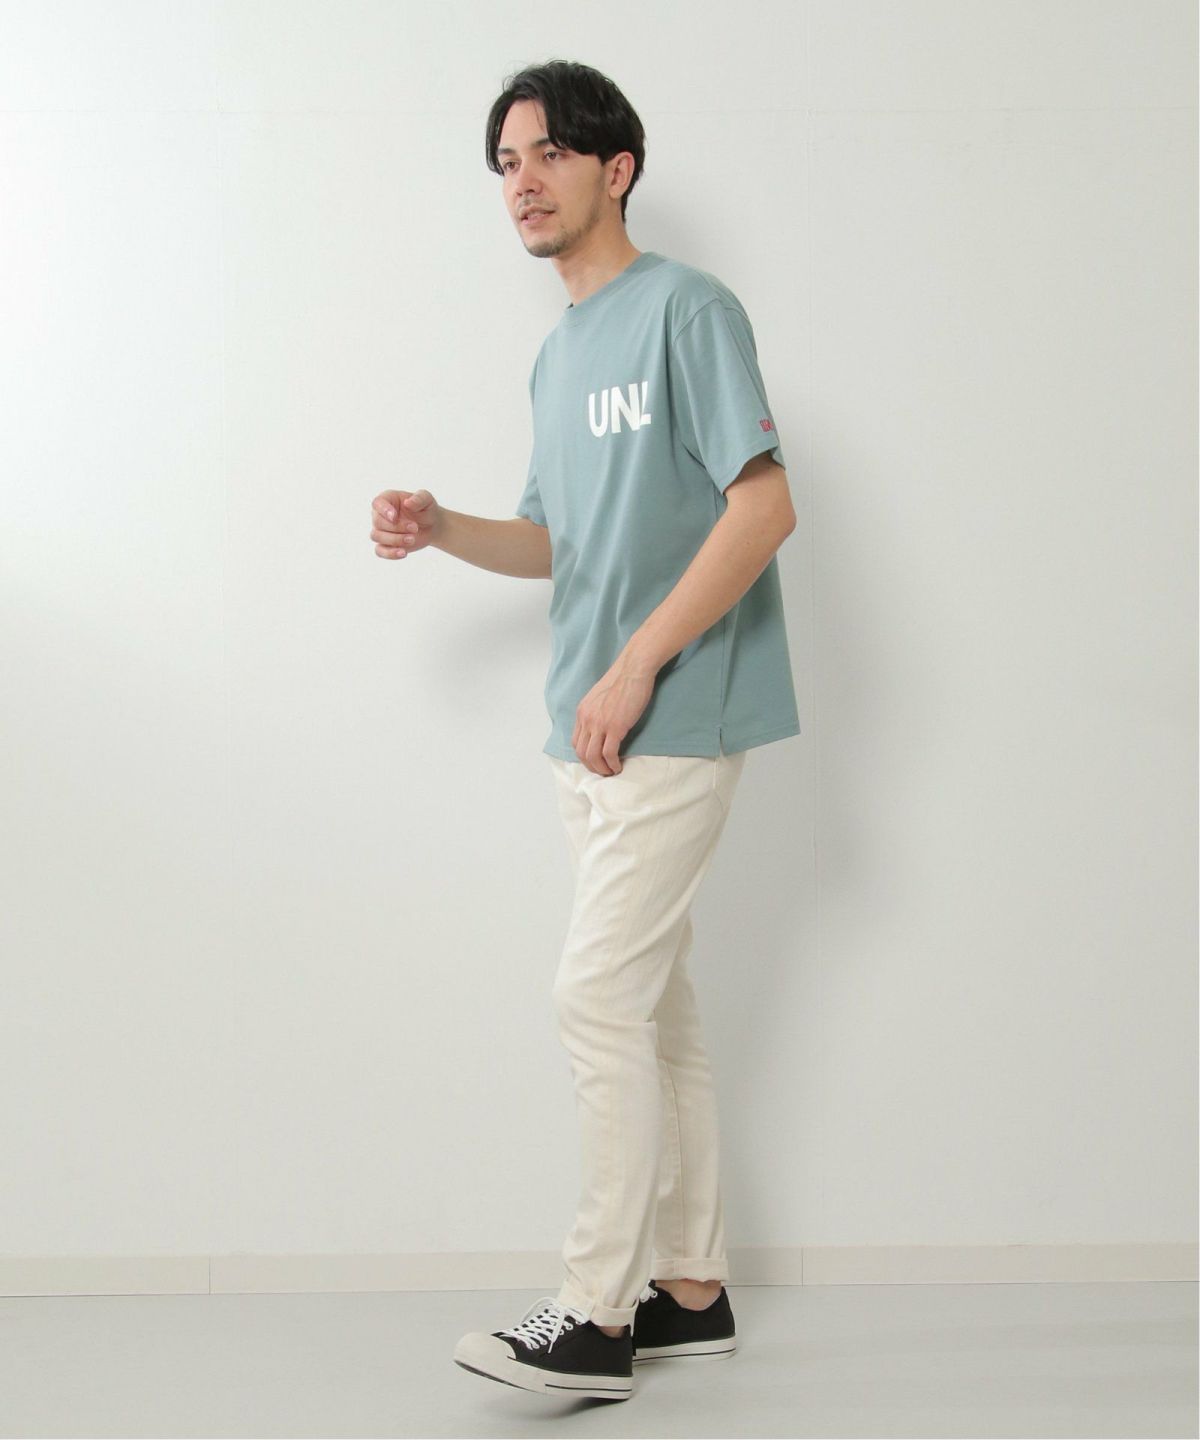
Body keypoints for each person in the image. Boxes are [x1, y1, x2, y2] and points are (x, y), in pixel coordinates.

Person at [369, 59, 800, 1402]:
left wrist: (634, 668)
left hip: (673, 711)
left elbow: (764, 506)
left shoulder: (687, 309)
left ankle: (596, 1315)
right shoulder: (558, 355)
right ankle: (692, 1292)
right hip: (592, 732)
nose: (523, 183)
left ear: (617, 168)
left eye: (548, 153)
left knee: (593, 1000)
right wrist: (445, 528)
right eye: (506, 163)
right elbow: (554, 538)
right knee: (657, 1014)